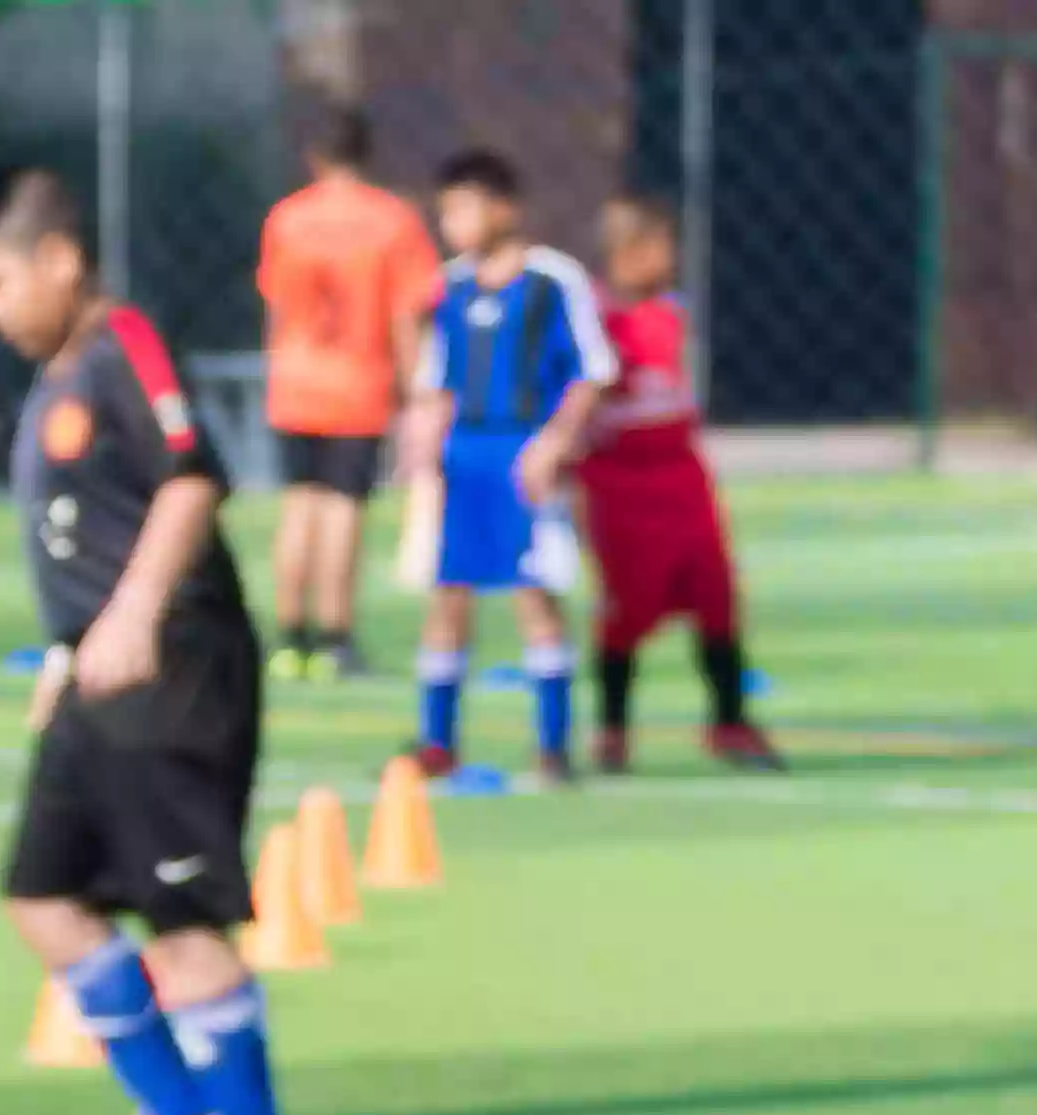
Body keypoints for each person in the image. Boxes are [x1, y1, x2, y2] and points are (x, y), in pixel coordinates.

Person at [0, 171, 305, 1115]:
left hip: (175, 666)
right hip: (94, 672)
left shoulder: (126, 346)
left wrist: (131, 615)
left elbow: (191, 478)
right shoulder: (53, 376)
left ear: (60, 261)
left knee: (182, 922)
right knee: (42, 896)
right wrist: (69, 650)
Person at [397, 147, 607, 795]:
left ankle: (552, 745)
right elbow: (437, 379)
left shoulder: (553, 281)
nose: (453, 224)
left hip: (523, 455)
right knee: (447, 594)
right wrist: (422, 434)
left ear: (506, 208)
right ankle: (438, 742)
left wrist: (555, 442)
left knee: (535, 594)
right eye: (446, 213)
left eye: (465, 209)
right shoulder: (452, 287)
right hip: (464, 457)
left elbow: (591, 371)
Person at [582, 192, 777, 774]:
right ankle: (612, 729)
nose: (669, 258)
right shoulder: (593, 317)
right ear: (628, 251)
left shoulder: (672, 312)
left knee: (715, 593)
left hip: (682, 476)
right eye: (660, 246)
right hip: (622, 481)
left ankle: (730, 720)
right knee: (625, 605)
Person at [251, 110, 441, 682]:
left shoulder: (287, 219)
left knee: (299, 505)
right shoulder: (393, 221)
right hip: (359, 384)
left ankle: (288, 639)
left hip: (294, 381)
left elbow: (276, 305)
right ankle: (335, 638)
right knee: (343, 508)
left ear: (315, 156)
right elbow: (408, 313)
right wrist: (417, 391)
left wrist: (277, 366)